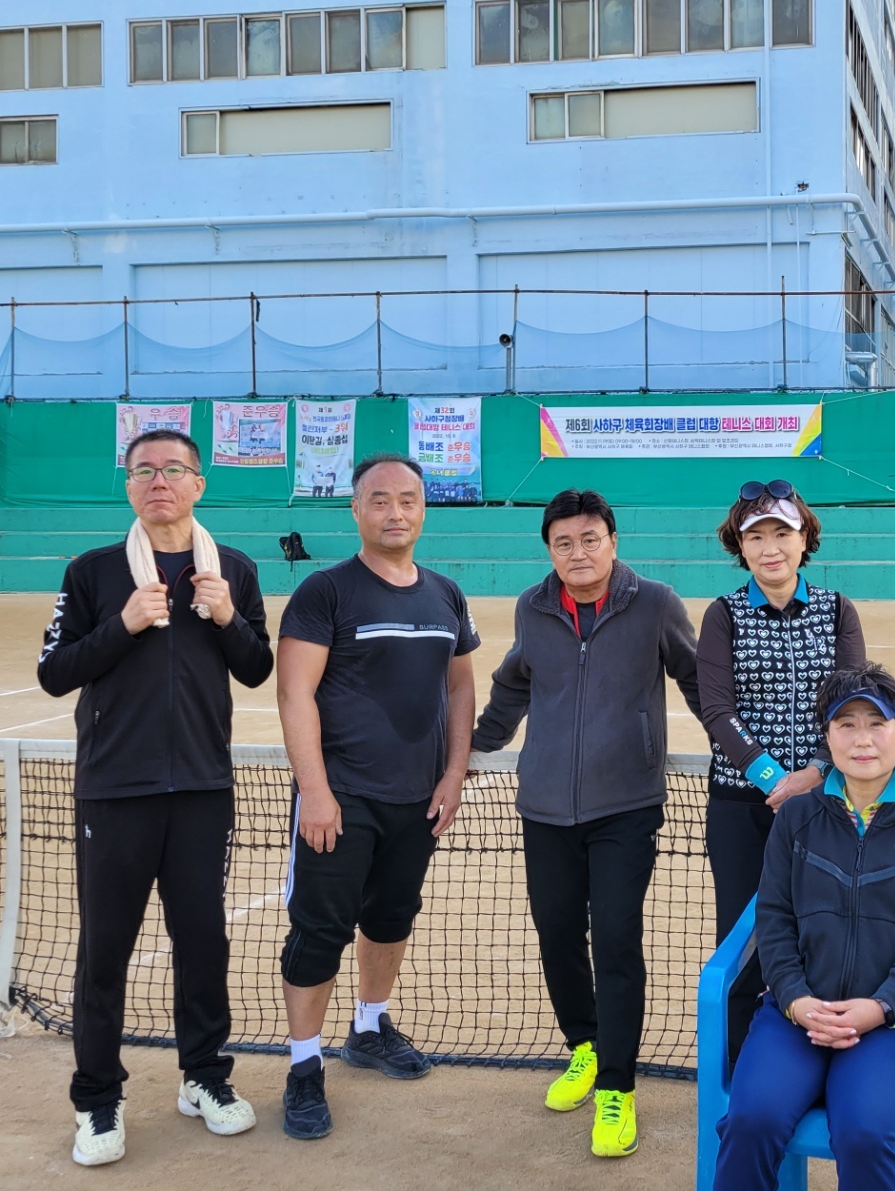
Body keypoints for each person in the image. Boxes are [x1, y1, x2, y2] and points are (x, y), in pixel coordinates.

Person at [37, 429, 274, 1167]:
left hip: (202, 788)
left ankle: (204, 1077)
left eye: (173, 469)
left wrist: (227, 616)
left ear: (199, 483)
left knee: (203, 944)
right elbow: (55, 672)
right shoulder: (93, 571)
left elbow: (258, 667)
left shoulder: (233, 569)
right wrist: (125, 624)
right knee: (104, 952)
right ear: (129, 485)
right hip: (115, 790)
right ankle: (97, 1099)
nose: (158, 481)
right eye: (143, 470)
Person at [471, 487, 701, 1159]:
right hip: (544, 807)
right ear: (550, 550)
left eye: (589, 539)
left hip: (626, 806)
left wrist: (745, 754)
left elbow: (697, 681)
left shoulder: (655, 603)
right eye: (563, 543)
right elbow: (514, 682)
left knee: (618, 942)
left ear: (612, 541)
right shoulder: (533, 606)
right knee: (557, 934)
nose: (578, 553)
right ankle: (585, 1046)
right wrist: (473, 747)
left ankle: (617, 1086)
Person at [275, 452, 479, 1141]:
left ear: (424, 509)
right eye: (380, 500)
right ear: (356, 510)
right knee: (319, 932)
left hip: (416, 801)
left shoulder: (446, 594)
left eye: (408, 500)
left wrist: (452, 774)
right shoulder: (325, 592)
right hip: (340, 800)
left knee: (391, 919)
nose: (396, 512)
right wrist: (316, 791)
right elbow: (295, 693)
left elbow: (460, 687)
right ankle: (304, 1066)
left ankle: (368, 1028)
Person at [713, 663, 895, 1191]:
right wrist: (795, 1000)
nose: (862, 739)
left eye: (877, 724)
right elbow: (774, 919)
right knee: (752, 1119)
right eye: (846, 724)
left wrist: (881, 1006)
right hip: (795, 1015)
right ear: (827, 736)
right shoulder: (795, 818)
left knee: (865, 1132)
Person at [696, 479, 865, 1059]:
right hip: (742, 807)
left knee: (823, 933)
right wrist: (775, 780)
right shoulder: (722, 615)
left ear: (804, 539)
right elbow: (718, 710)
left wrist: (813, 774)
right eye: (756, 537)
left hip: (825, 802)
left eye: (782, 533)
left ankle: (815, 1058)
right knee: (744, 940)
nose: (770, 548)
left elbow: (850, 704)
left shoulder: (838, 610)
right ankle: (741, 1067)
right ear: (739, 547)